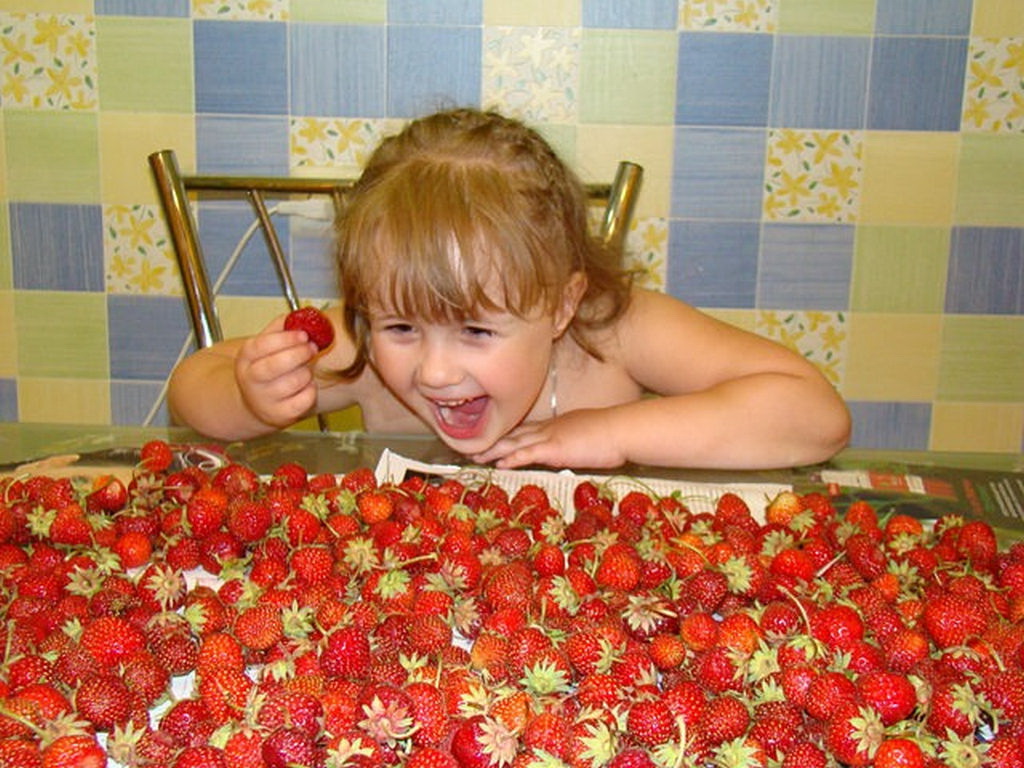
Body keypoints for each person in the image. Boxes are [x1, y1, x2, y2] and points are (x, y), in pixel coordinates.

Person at [167, 107, 850, 470]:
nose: (434, 370)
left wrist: (610, 432)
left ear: (561, 303)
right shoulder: (367, 346)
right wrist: (250, 397)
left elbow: (816, 416)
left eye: (475, 330)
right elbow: (192, 388)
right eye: (403, 327)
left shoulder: (613, 329)